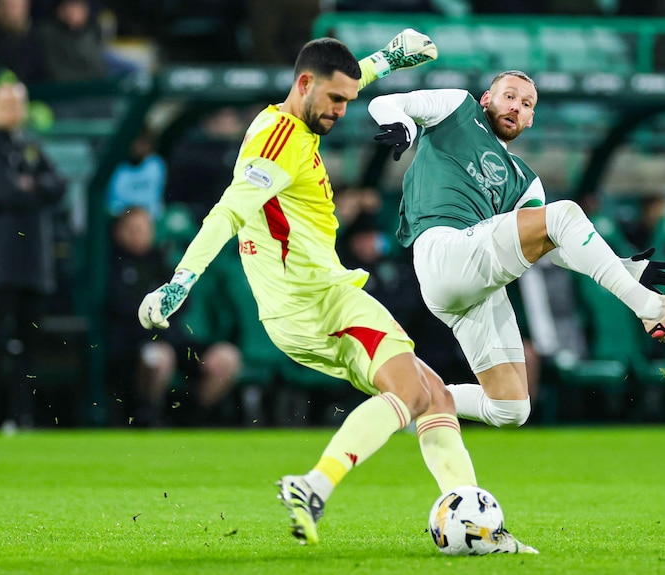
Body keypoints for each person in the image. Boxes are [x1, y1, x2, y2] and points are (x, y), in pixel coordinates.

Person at [137, 32, 536, 553]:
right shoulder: (277, 140)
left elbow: (345, 79)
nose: (343, 111)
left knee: (433, 395)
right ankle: (315, 485)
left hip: (311, 303)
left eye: (348, 101)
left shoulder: (303, 115)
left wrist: (387, 60)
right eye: (335, 101)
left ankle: (480, 531)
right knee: (412, 393)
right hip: (316, 300)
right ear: (303, 85)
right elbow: (229, 211)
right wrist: (180, 281)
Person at [367, 70, 665, 429]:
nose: (516, 107)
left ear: (531, 118)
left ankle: (409, 398)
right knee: (564, 212)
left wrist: (623, 266)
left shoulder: (524, 180)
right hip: (443, 249)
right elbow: (387, 102)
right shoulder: (458, 107)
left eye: (526, 104)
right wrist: (404, 127)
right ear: (487, 99)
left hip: (472, 286)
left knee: (511, 409)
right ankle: (651, 308)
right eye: (509, 96)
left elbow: (552, 246)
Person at [107, 207, 242, 427]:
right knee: (159, 356)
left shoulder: (162, 262)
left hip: (176, 340)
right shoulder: (110, 266)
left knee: (227, 358)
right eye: (132, 229)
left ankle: (194, 416)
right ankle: (148, 416)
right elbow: (121, 308)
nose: (139, 235)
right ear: (118, 232)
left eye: (144, 229)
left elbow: (184, 302)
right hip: (134, 345)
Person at [0, 78, 66, 428]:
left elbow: (59, 185)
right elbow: (5, 192)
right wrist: (34, 187)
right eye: (6, 103)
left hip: (34, 264)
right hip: (1, 264)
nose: (14, 110)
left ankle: (19, 416)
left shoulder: (30, 146)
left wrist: (30, 186)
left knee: (28, 344)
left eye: (18, 103)